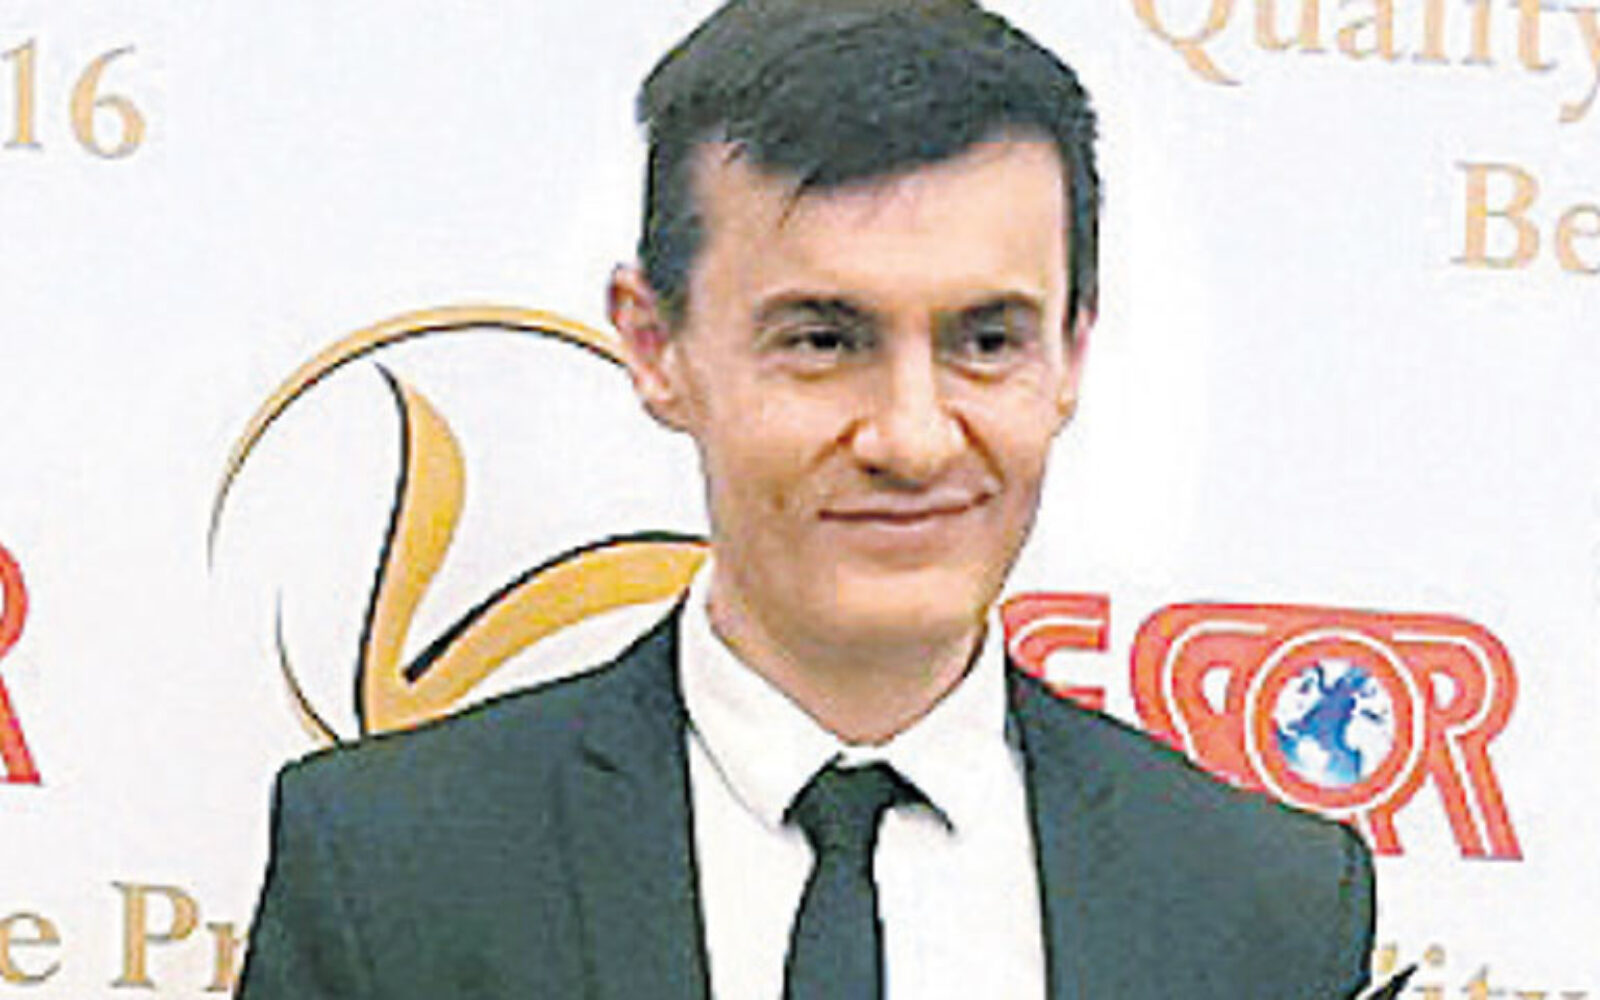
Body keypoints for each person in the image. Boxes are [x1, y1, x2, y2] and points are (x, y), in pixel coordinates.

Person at [236, 1, 1375, 998]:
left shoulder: (1260, 903)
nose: (912, 438)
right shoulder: (393, 868)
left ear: (1073, 351)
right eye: (824, 341)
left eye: (987, 341)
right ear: (654, 344)